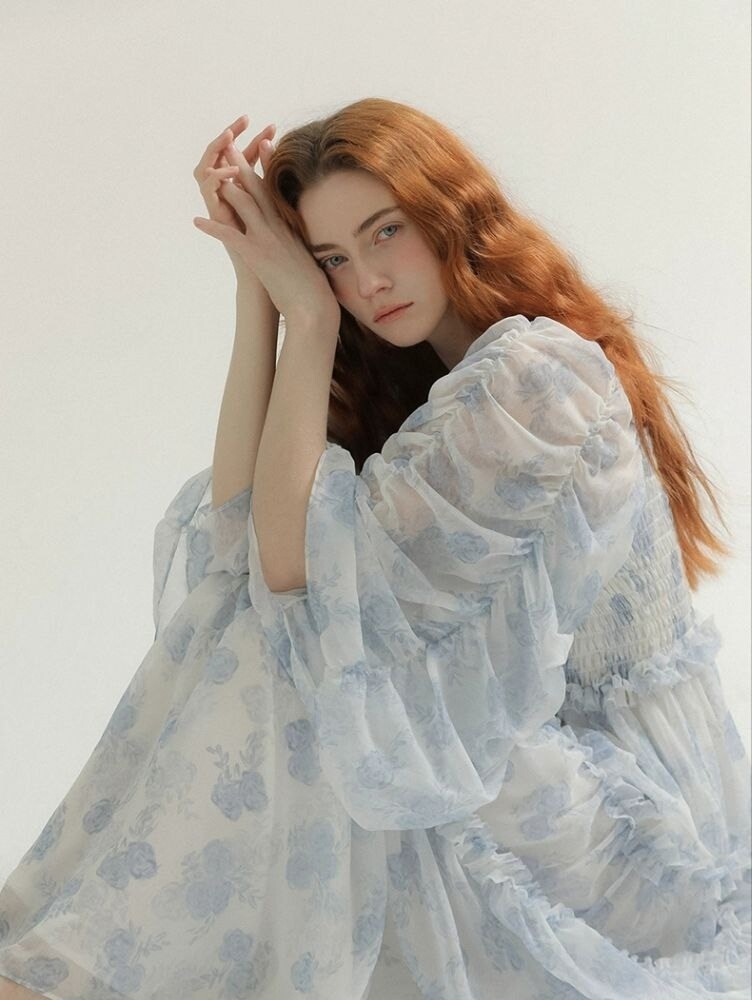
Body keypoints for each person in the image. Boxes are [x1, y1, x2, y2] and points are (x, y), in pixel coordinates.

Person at [0, 96, 749, 1000]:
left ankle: (62, 972)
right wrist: (261, 295)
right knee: (299, 650)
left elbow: (293, 578)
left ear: (449, 213)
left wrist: (311, 319)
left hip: (634, 836)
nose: (367, 280)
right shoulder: (421, 382)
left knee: (314, 665)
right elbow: (242, 539)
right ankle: (69, 967)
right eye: (331, 261)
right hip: (529, 774)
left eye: (385, 231)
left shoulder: (537, 377)